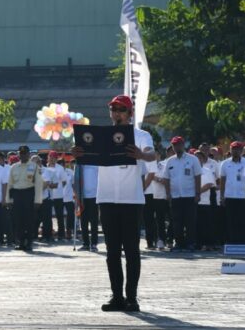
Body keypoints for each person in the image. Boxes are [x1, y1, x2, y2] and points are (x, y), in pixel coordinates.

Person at [73, 95, 156, 313]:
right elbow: (86, 156)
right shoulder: (100, 136)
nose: (117, 113)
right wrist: (78, 153)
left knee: (131, 250)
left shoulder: (141, 135)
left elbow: (152, 154)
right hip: (107, 198)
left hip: (131, 199)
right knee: (112, 252)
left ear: (130, 113)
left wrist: (141, 154)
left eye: (121, 109)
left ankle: (132, 297)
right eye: (114, 109)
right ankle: (117, 296)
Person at [159, 136, 202, 252]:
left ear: (183, 145)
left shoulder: (193, 159)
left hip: (190, 195)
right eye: (174, 145)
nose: (177, 147)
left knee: (190, 221)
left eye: (179, 144)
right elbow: (166, 178)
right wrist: (168, 194)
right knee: (176, 221)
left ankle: (190, 243)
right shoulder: (170, 161)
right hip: (175, 196)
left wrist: (198, 193)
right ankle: (179, 243)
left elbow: (198, 176)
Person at [6, 146, 44, 252]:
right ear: (18, 154)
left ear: (28, 154)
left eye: (25, 153)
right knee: (18, 220)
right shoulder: (14, 167)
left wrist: (38, 200)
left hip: (29, 194)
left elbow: (39, 184)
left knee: (29, 220)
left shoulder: (34, 166)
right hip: (17, 195)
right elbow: (10, 184)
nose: (23, 155)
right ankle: (21, 242)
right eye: (21, 153)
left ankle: (29, 242)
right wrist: (8, 200)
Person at [220, 141, 245, 244]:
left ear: (241, 150)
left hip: (243, 196)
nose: (235, 151)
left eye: (238, 149)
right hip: (230, 196)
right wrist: (222, 196)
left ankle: (242, 241)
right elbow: (223, 181)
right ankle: (231, 241)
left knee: (243, 220)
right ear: (230, 150)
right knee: (230, 220)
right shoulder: (225, 163)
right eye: (233, 149)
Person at [75, 164, 100, 252]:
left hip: (94, 196)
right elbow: (76, 180)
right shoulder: (79, 165)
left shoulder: (96, 164)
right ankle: (85, 243)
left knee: (94, 222)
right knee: (83, 222)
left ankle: (94, 244)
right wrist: (76, 193)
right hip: (82, 196)